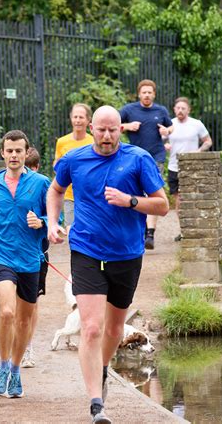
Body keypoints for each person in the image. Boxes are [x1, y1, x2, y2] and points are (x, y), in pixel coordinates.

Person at [47, 106, 169, 424]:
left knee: (114, 328)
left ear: (121, 129)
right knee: (90, 327)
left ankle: (102, 369)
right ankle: (96, 405)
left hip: (127, 254)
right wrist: (52, 222)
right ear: (91, 128)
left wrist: (130, 200)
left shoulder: (138, 158)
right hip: (87, 251)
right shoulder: (74, 159)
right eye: (101, 129)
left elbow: (163, 205)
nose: (107, 136)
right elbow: (56, 190)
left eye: (113, 130)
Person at [0, 130, 50, 398]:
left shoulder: (41, 183)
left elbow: (56, 219)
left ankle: (16, 370)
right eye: (10, 150)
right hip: (2, 255)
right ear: (2, 153)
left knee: (24, 320)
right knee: (7, 312)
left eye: (19, 150)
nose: (14, 155)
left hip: (30, 258)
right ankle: (3, 364)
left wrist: (42, 222)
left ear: (26, 153)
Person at [120, 79, 173, 250]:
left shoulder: (161, 110)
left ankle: (150, 233)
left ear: (154, 94)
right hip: (132, 159)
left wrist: (166, 131)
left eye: (150, 92)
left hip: (156, 157)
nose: (147, 95)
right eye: (144, 92)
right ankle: (138, 229)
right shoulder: (129, 110)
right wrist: (128, 126)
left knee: (153, 193)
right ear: (139, 94)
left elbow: (171, 127)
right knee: (135, 193)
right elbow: (113, 125)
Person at [164, 97, 212, 241]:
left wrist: (199, 152)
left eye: (183, 108)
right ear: (174, 109)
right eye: (178, 108)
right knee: (180, 201)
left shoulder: (196, 124)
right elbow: (160, 142)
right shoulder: (170, 125)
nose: (180, 110)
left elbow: (208, 141)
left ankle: (195, 229)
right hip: (174, 167)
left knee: (193, 199)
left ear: (188, 110)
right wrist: (164, 146)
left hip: (193, 167)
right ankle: (184, 231)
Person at [21, 147, 49, 368]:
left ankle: (28, 348)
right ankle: (15, 346)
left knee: (32, 304)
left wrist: (42, 222)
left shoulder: (42, 184)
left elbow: (53, 214)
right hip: (11, 254)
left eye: (30, 169)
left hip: (38, 254)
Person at [54, 102, 93, 230]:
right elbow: (57, 165)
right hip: (69, 195)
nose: (78, 120)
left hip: (89, 195)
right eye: (75, 117)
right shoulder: (62, 142)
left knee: (89, 230)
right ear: (71, 118)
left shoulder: (93, 141)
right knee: (71, 229)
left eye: (81, 117)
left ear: (88, 120)